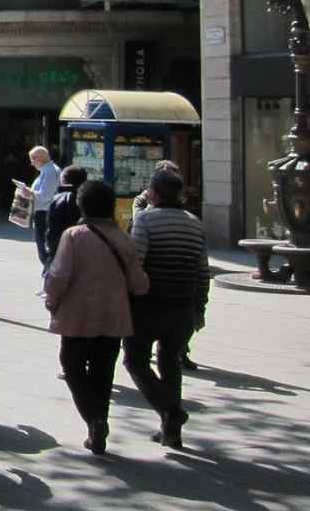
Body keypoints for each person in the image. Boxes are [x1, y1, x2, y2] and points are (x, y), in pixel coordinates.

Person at [45, 179, 149, 454]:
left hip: (78, 317)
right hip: (114, 318)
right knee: (103, 373)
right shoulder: (123, 238)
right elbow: (139, 283)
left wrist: (51, 301)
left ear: (82, 205)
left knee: (73, 367)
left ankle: (94, 419)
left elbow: (59, 275)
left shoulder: (74, 236)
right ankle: (99, 421)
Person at [126, 169, 209, 449]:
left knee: (135, 360)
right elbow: (202, 271)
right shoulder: (195, 224)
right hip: (183, 306)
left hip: (149, 305)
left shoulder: (145, 220)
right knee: (170, 361)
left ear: (155, 193)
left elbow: (134, 263)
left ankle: (169, 411)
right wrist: (200, 308)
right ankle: (171, 431)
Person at [44, 164, 90, 263]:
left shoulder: (59, 198)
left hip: (62, 250)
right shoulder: (88, 197)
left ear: (64, 179)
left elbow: (52, 230)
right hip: (83, 250)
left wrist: (51, 252)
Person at [29, 145, 63, 272]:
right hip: (42, 212)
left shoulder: (50, 172)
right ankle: (49, 280)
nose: (32, 163)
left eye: (33, 159)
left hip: (45, 213)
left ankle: (51, 280)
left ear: (41, 158)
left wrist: (30, 193)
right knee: (44, 249)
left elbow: (46, 195)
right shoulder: (46, 171)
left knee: (45, 250)